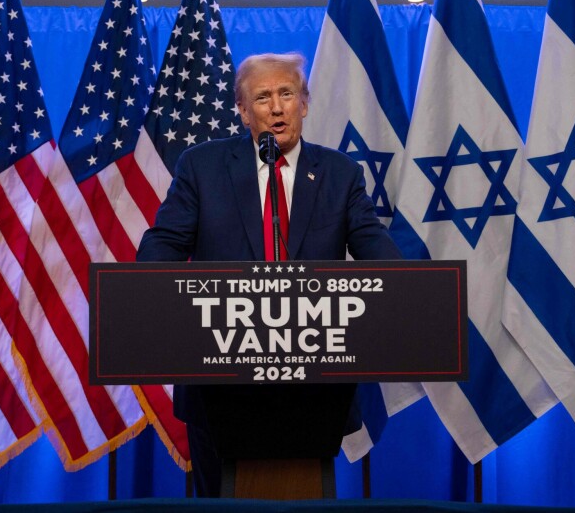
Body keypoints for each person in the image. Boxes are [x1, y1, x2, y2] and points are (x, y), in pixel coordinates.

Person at [136, 52, 401, 497]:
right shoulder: (202, 167)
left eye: (286, 94)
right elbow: (164, 244)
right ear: (242, 111)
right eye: (262, 97)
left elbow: (376, 249)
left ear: (304, 103)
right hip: (218, 377)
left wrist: (412, 292)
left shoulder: (339, 173)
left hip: (314, 383)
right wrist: (143, 295)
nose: (276, 107)